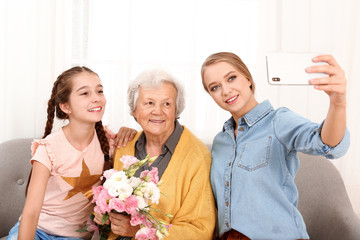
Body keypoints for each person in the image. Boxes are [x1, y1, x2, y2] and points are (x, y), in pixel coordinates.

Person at [200, 52, 350, 240]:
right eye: (215, 87)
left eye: (231, 78)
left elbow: (328, 144)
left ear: (248, 78)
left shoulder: (279, 121)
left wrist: (338, 103)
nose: (226, 90)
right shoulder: (220, 142)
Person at [7, 66, 136, 240]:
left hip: (74, 237)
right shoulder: (49, 149)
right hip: (37, 230)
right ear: (65, 106)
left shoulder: (110, 143)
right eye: (85, 93)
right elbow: (31, 213)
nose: (96, 98)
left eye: (99, 91)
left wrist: (130, 132)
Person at [95, 69, 216, 240]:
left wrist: (140, 230)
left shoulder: (197, 157)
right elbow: (111, 203)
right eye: (149, 103)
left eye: (167, 104)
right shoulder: (124, 146)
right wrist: (105, 215)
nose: (157, 111)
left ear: (176, 110)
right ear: (135, 111)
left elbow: (200, 230)